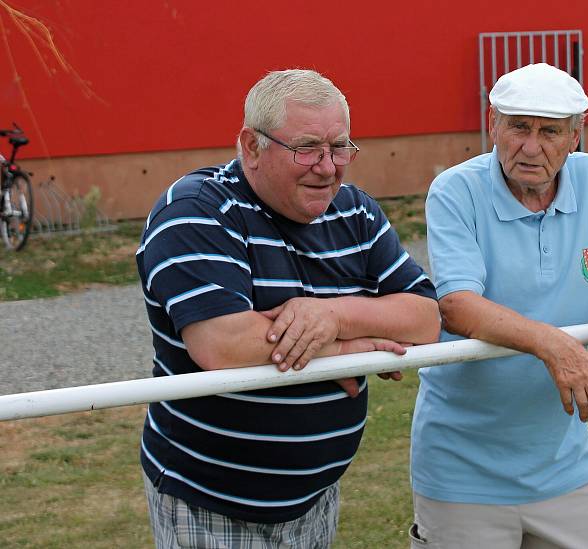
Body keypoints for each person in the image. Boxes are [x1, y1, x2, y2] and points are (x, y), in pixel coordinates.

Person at [136, 69, 440, 548]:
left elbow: (425, 317)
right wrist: (345, 348)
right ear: (252, 147)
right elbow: (222, 343)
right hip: (211, 498)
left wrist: (332, 317)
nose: (327, 167)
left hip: (314, 499)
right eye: (307, 148)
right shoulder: (197, 209)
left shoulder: (354, 211)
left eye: (339, 148)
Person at [409, 63, 588, 548]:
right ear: (493, 123)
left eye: (550, 131)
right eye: (518, 127)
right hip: (461, 469)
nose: (531, 147)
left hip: (565, 461)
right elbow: (459, 306)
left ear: (576, 135)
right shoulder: (455, 190)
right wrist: (554, 345)